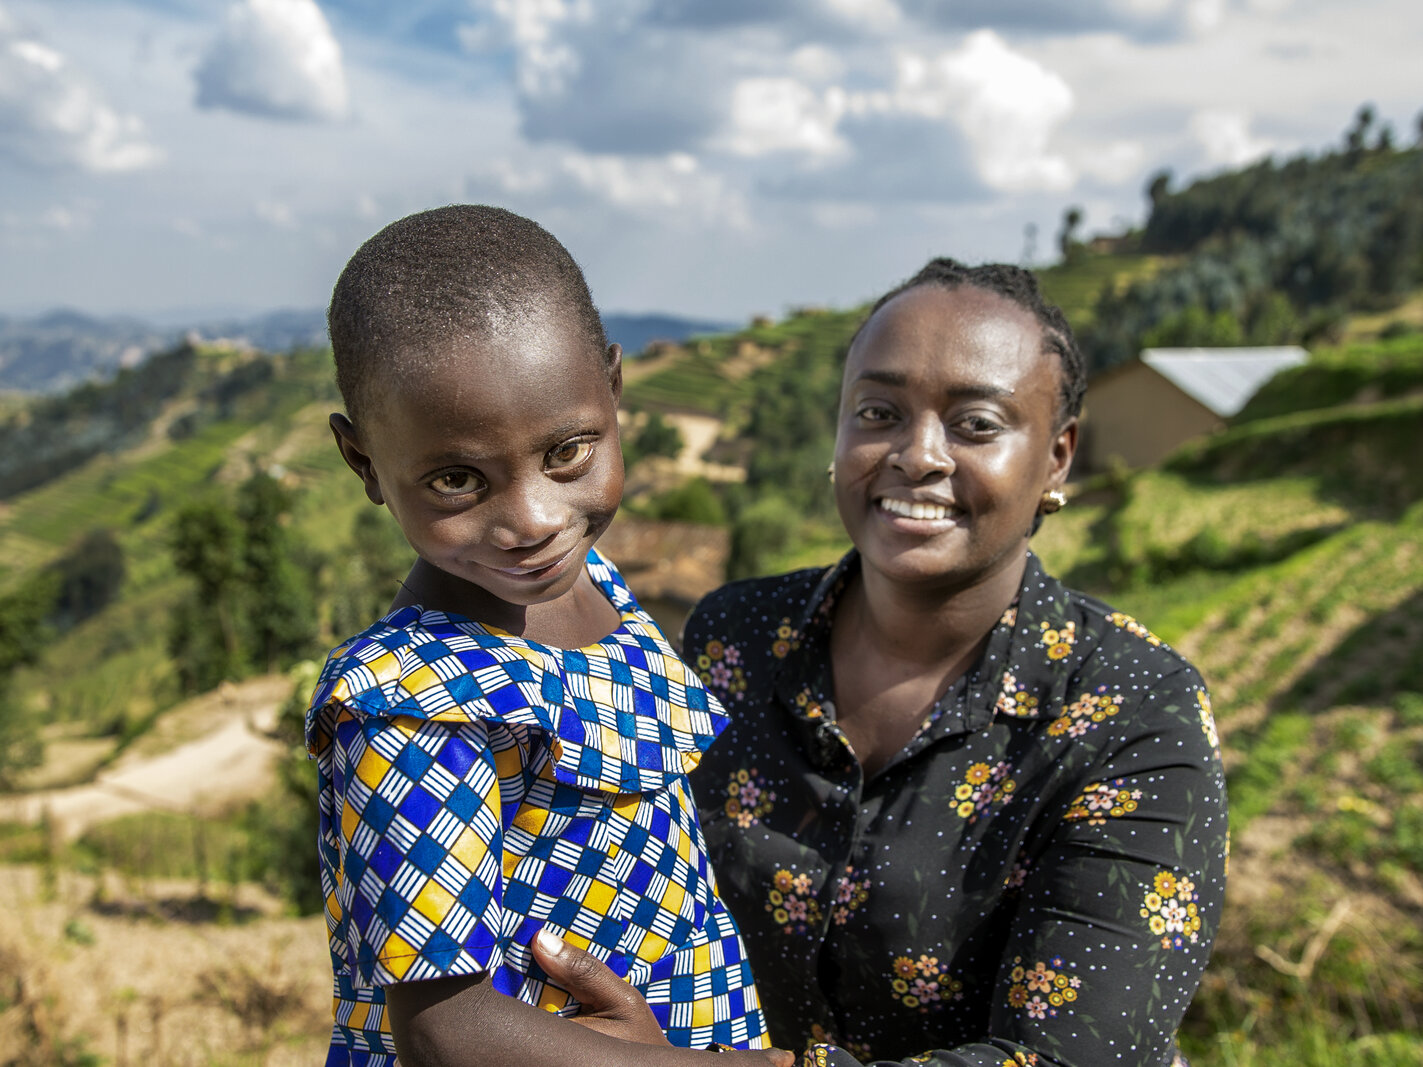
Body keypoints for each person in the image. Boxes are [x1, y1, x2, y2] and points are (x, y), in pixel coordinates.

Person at [535, 259, 1230, 1066]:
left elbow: (1072, 1056)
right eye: (878, 411)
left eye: (975, 423)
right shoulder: (739, 640)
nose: (916, 454)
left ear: (1057, 456)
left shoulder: (1134, 710)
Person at [306, 205, 792, 1067]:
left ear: (613, 390)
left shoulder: (593, 587)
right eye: (458, 479)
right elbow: (449, 1031)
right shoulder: (412, 706)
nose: (531, 521)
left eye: (567, 451)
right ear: (364, 463)